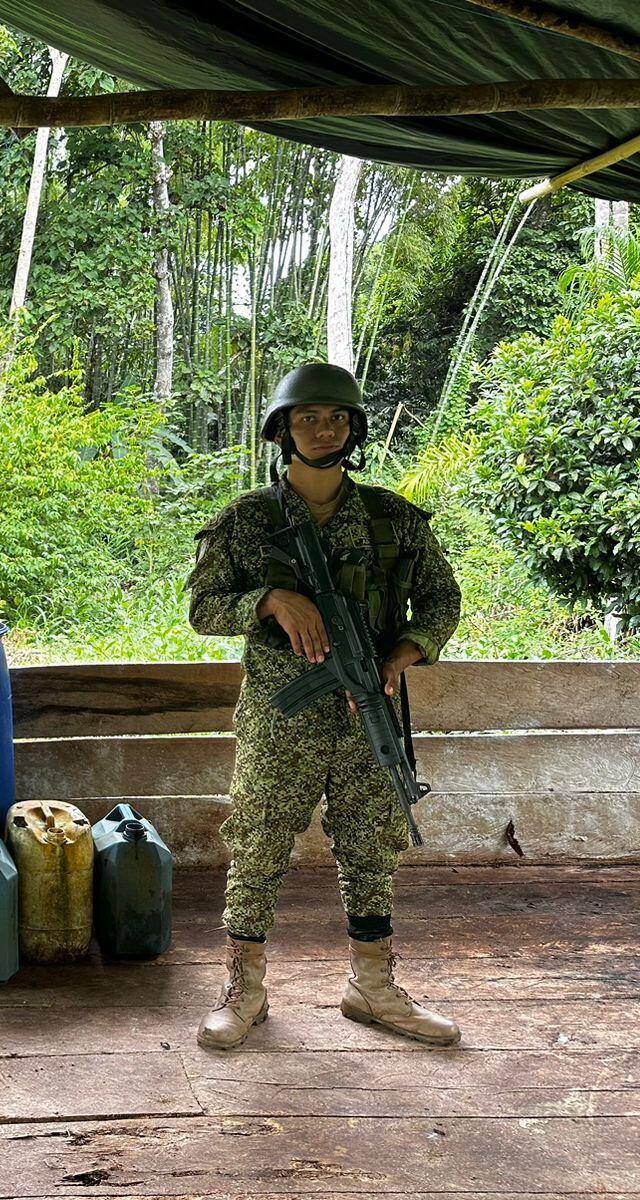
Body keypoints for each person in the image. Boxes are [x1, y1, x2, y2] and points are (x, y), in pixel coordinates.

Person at [187, 362, 462, 1049]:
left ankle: (372, 986)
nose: (323, 429)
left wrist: (404, 654)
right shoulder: (248, 520)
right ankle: (244, 988)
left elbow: (441, 600)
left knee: (372, 844)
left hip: (369, 712)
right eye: (307, 418)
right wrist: (270, 600)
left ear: (354, 428)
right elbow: (202, 607)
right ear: (282, 430)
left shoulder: (393, 519)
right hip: (283, 716)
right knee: (259, 842)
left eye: (337, 417)